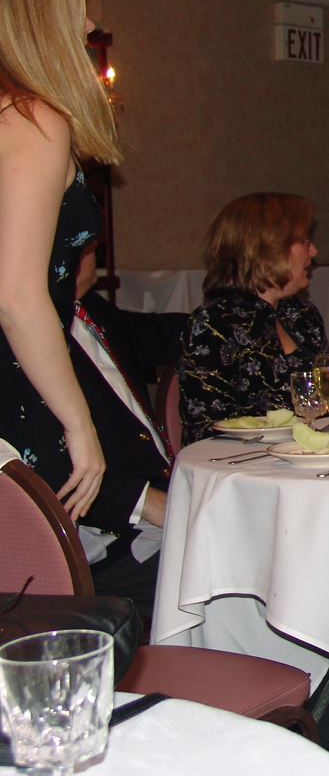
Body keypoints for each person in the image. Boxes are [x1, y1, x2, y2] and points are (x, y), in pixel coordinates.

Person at [0, 0, 119, 521]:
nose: (90, 23)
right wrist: (79, 424)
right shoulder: (31, 118)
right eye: (76, 6)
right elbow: (17, 296)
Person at [70, 242, 185, 618]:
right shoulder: (20, 343)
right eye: (88, 245)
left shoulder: (91, 310)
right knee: (234, 568)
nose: (98, 254)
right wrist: (145, 502)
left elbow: (163, 334)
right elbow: (31, 461)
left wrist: (241, 312)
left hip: (153, 510)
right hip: (93, 544)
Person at [177, 193, 329, 444]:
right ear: (268, 249)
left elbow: (328, 408)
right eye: (304, 241)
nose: (313, 250)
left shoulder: (302, 315)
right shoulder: (214, 323)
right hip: (242, 462)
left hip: (307, 455)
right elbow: (207, 430)